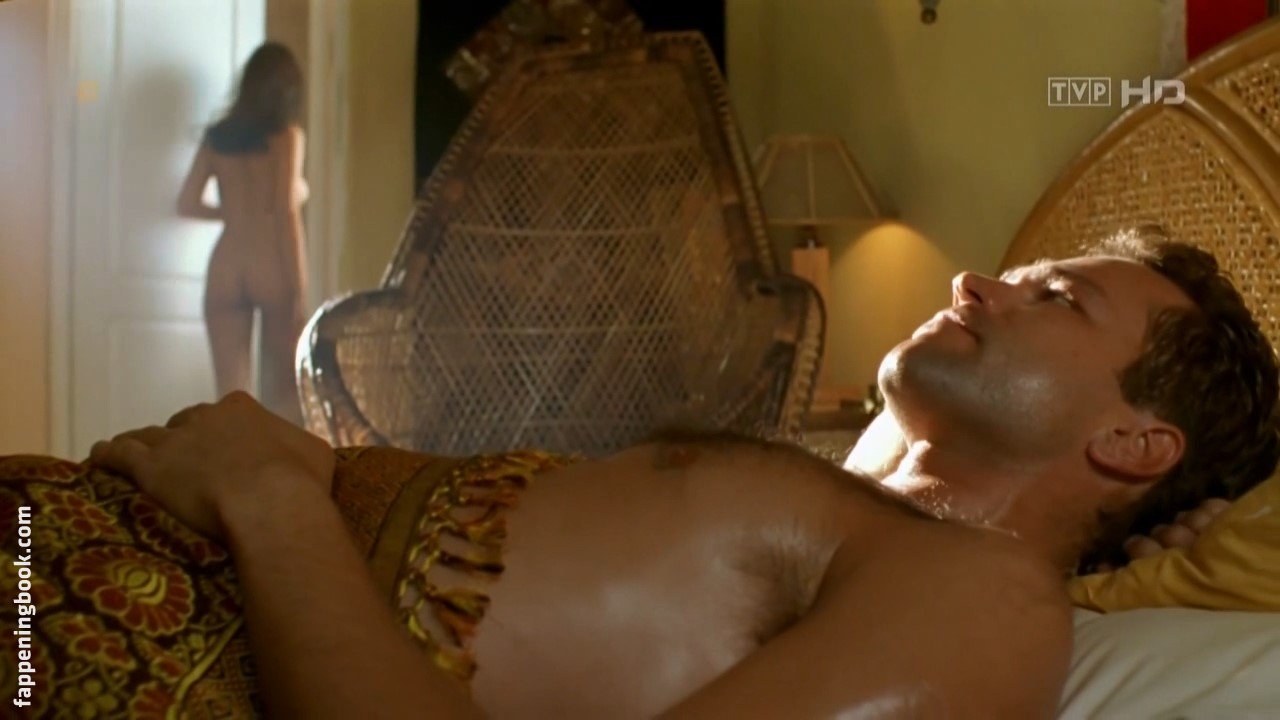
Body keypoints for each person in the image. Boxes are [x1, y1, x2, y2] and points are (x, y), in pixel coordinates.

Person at [4, 229, 1277, 718]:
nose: (976, 279)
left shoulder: (986, 603)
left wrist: (274, 500)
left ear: (1132, 445)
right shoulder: (838, 507)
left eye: (1057, 298)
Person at [177, 42, 309, 425]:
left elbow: (186, 203)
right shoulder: (286, 137)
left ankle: (229, 457)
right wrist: (299, 286)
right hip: (271, 265)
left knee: (230, 396)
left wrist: (234, 213)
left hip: (227, 264)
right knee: (282, 393)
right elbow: (285, 212)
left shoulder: (217, 138)